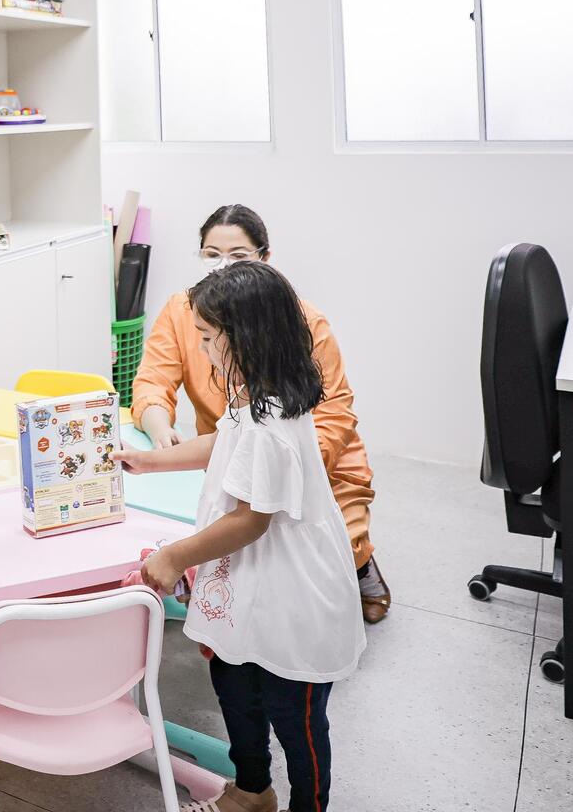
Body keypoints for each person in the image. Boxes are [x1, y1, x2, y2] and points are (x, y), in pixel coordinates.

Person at [125, 262, 366, 812]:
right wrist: (151, 460)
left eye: (208, 338)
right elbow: (221, 443)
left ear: (242, 339)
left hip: (290, 594)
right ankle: (250, 791)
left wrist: (173, 557)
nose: (203, 349)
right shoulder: (257, 396)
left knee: (294, 715)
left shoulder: (273, 420)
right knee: (235, 687)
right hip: (252, 581)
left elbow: (250, 520)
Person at [133, 205, 391, 623]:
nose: (222, 266)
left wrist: (282, 466)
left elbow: (333, 415)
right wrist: (158, 432)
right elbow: (153, 380)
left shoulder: (297, 323)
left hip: (312, 462)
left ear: (264, 259)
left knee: (308, 554)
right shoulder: (186, 310)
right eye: (211, 254)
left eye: (237, 255)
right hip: (229, 452)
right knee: (239, 551)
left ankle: (357, 564)